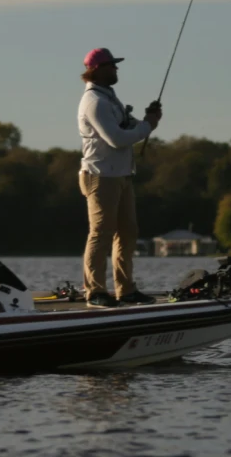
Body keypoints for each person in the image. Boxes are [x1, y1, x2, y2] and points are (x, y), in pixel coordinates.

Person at [76, 47, 163, 307]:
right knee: (101, 233)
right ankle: (95, 292)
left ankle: (126, 290)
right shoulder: (95, 102)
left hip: (121, 175)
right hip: (100, 176)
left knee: (127, 232)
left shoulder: (109, 98)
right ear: (98, 69)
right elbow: (116, 139)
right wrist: (148, 126)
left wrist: (147, 120)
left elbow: (129, 127)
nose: (116, 69)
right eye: (112, 65)